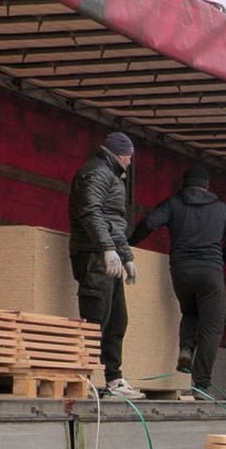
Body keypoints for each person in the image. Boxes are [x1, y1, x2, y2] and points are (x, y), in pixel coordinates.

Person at [128, 165, 226, 396]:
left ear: (185, 185)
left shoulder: (174, 203)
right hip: (210, 271)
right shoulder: (222, 209)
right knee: (211, 328)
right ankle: (200, 384)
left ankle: (186, 349)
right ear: (206, 186)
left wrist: (128, 244)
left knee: (190, 312)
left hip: (181, 270)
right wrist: (221, 259)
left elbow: (150, 222)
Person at [68, 131, 144, 400]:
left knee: (116, 319)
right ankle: (84, 379)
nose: (130, 163)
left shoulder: (108, 174)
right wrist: (107, 249)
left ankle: (113, 379)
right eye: (130, 157)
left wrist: (125, 256)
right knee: (95, 319)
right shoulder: (96, 173)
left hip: (104, 254)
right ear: (120, 153)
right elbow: (91, 211)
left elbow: (113, 222)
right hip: (93, 255)